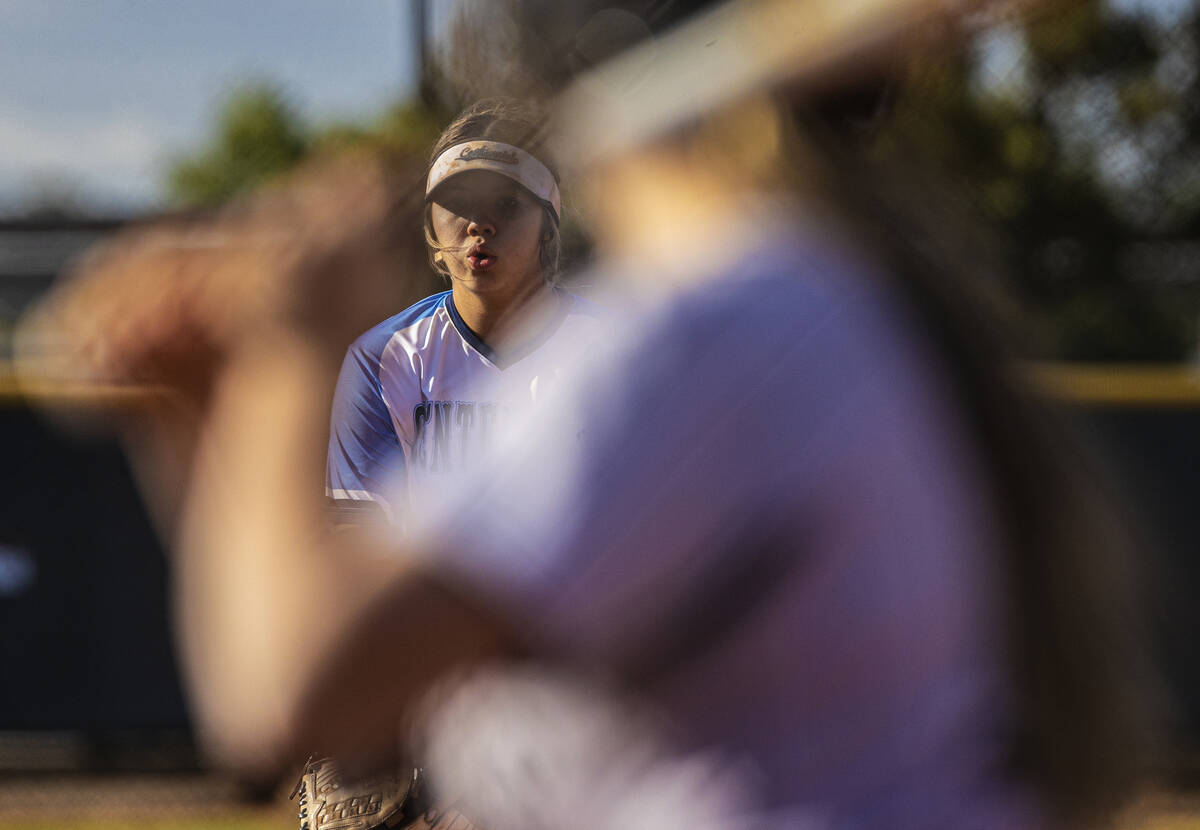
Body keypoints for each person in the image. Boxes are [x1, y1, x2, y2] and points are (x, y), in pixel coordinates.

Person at [19, 1, 1155, 827]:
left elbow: (297, 684)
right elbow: (315, 667)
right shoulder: (789, 306)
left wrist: (291, 343)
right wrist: (207, 403)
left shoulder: (722, 326)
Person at [326, 98, 602, 528]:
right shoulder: (384, 360)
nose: (479, 224)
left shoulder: (614, 347)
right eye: (458, 201)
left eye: (507, 204)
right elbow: (358, 539)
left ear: (548, 225)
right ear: (430, 226)